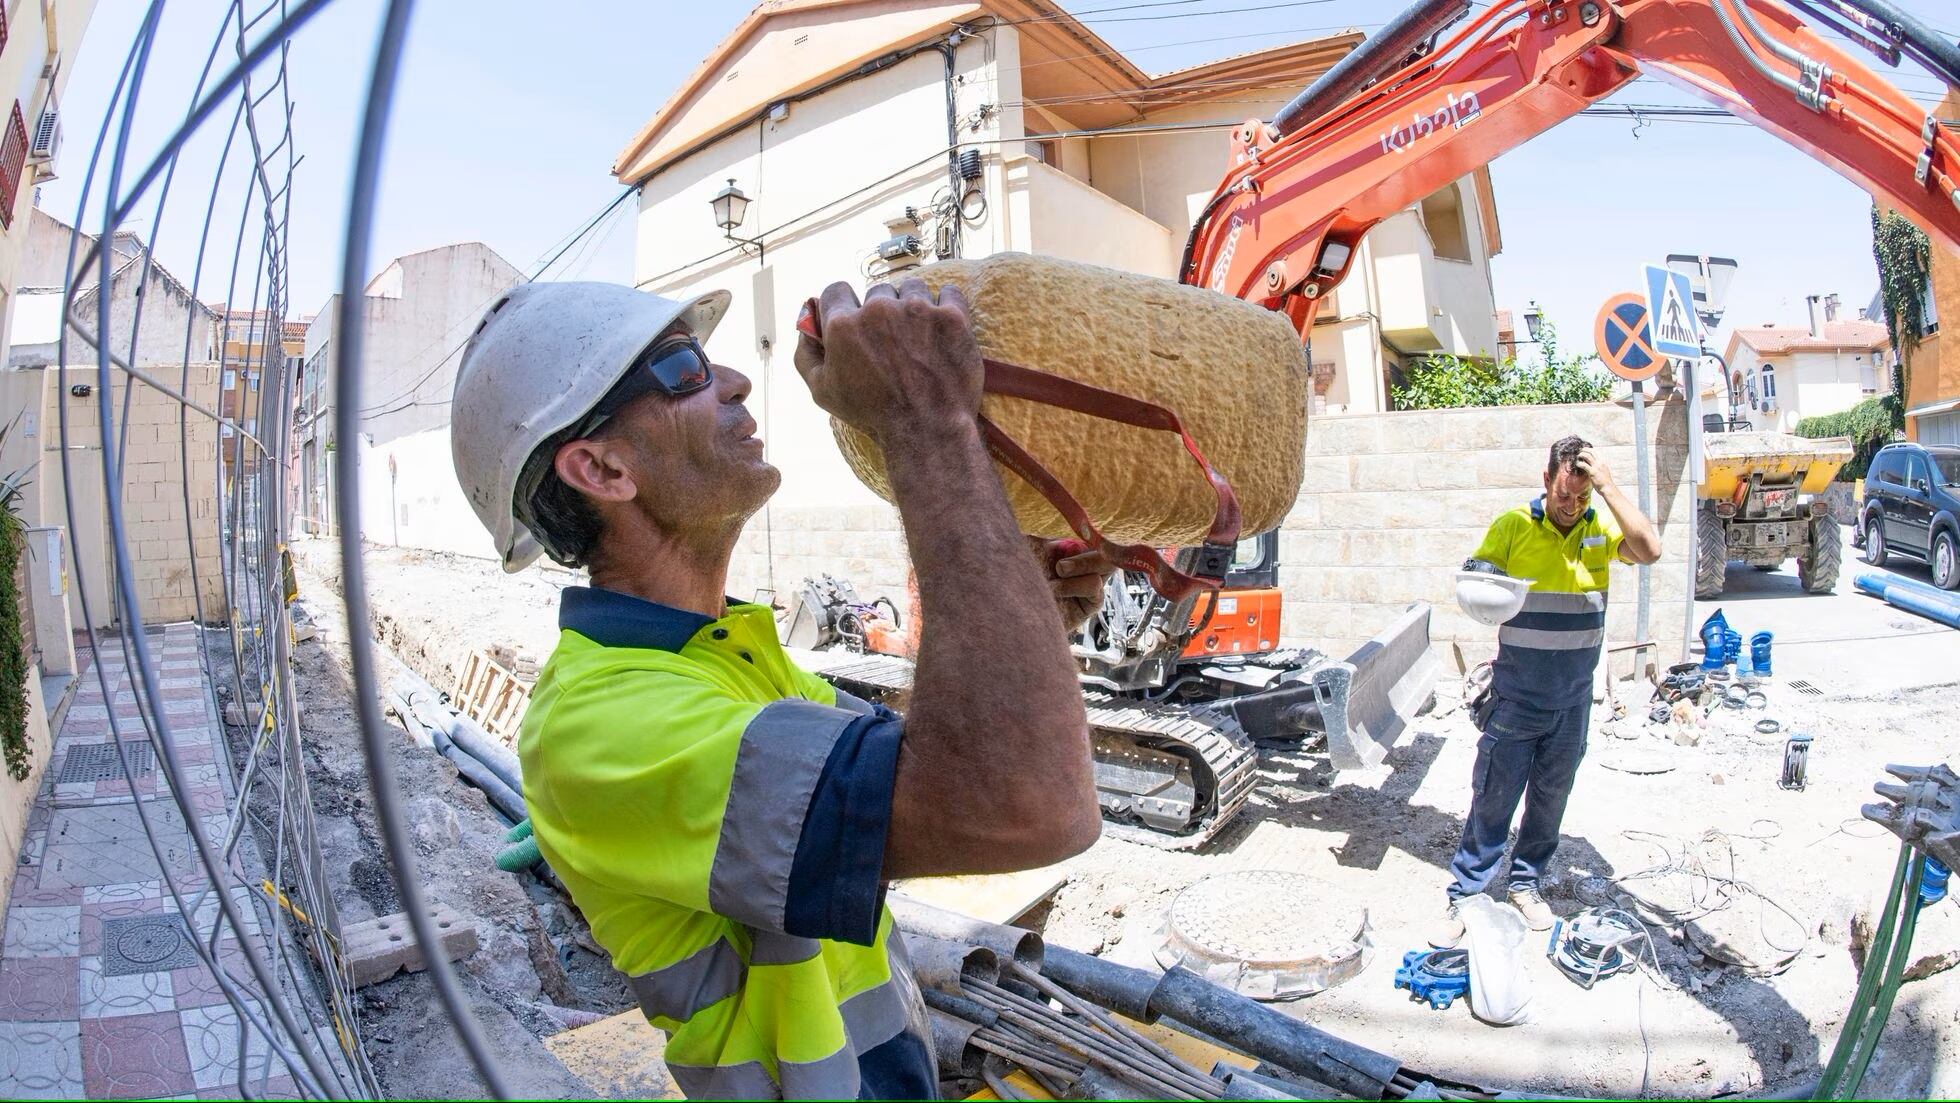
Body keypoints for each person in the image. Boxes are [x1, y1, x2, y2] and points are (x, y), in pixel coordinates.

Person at [449, 277, 1114, 1099]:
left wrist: (1022, 614)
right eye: (682, 371)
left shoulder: (730, 655)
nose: (734, 381)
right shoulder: (599, 724)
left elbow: (931, 773)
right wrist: (926, 423)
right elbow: (1024, 805)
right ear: (601, 467)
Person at [1434, 435, 1661, 947]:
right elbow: (1478, 577)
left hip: (1573, 700)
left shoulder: (1600, 526)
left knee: (1549, 801)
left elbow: (1650, 549)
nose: (1571, 506)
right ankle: (1465, 892)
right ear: (1546, 480)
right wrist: (1483, 580)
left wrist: (1609, 489)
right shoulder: (1514, 525)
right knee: (1494, 796)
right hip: (1516, 695)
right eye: (1564, 495)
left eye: (1581, 497)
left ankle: (1525, 884)